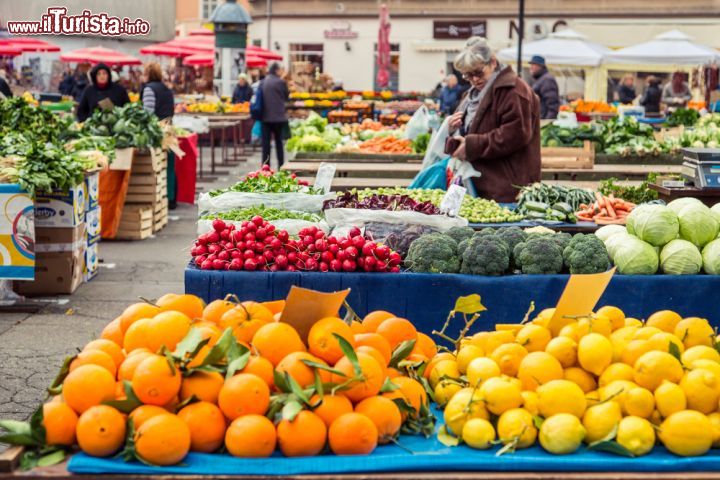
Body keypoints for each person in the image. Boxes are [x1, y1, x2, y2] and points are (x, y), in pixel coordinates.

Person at [447, 37, 541, 203]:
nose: (474, 80)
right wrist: (452, 129)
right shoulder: (470, 96)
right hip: (478, 188)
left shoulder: (514, 91)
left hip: (506, 190)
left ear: (493, 62)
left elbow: (515, 134)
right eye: (468, 75)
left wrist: (471, 145)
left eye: (478, 72)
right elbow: (469, 133)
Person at [260, 62, 290, 167]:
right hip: (278, 118)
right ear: (277, 70)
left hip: (265, 118)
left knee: (266, 145)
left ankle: (265, 168)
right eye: (281, 69)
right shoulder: (280, 82)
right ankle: (281, 166)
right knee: (279, 143)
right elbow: (287, 97)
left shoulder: (263, 82)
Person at [529, 55, 560, 120]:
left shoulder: (547, 80)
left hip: (543, 120)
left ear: (541, 66)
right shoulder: (540, 79)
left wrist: (546, 123)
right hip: (539, 120)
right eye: (531, 64)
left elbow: (553, 105)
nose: (531, 67)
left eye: (533, 64)